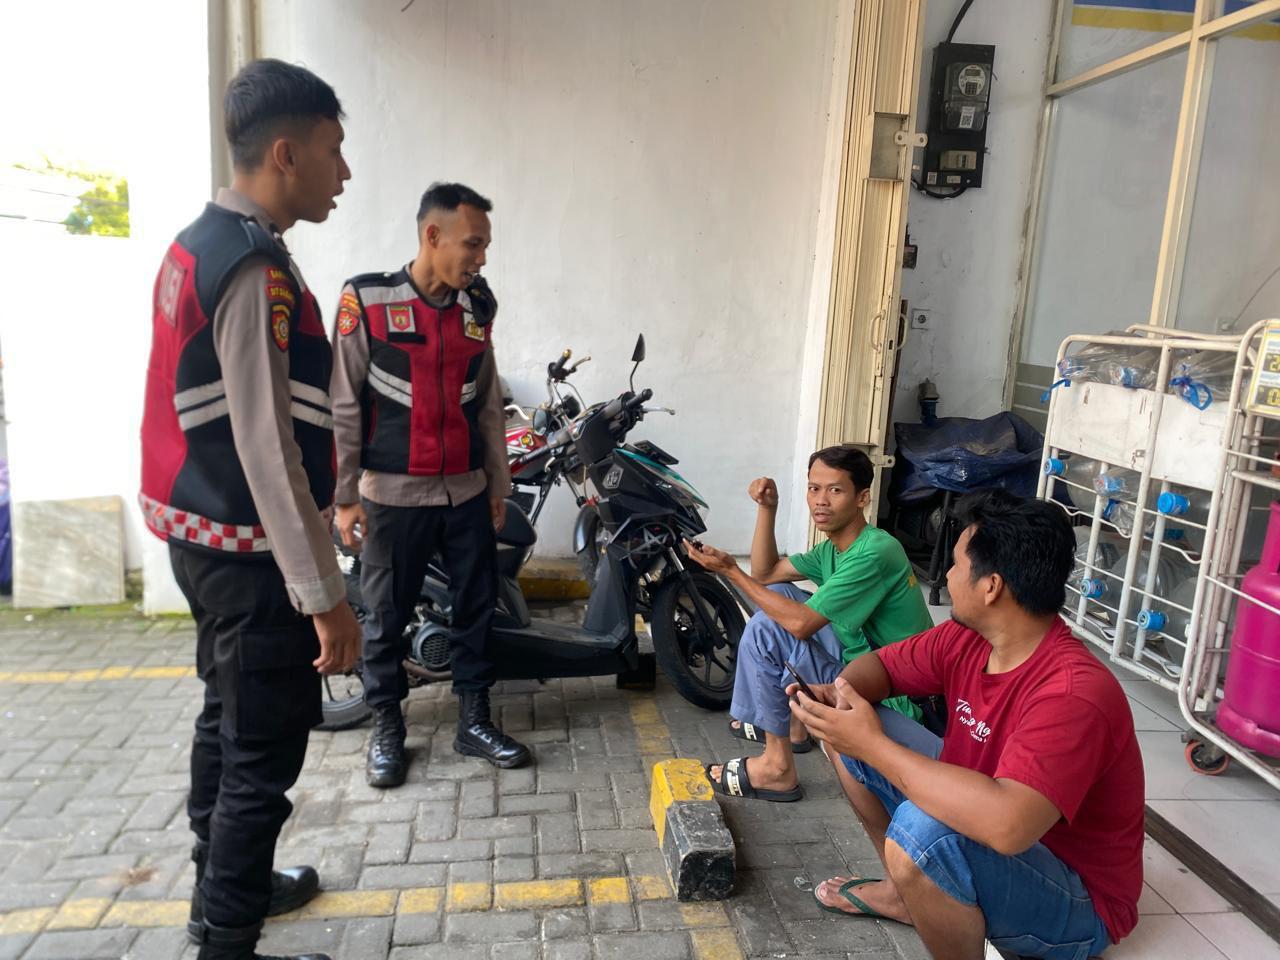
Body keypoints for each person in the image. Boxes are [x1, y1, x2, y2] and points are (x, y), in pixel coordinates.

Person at [139, 59, 359, 960]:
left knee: (224, 721)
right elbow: (270, 451)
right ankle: (226, 939)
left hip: (200, 537)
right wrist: (326, 598)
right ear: (285, 154)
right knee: (261, 758)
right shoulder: (252, 271)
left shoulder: (198, 244)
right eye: (333, 151)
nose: (344, 172)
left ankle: (224, 889)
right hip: (249, 556)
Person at [790, 491, 1144, 960]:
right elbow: (881, 669)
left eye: (956, 564)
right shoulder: (967, 637)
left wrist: (872, 745)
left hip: (1077, 899)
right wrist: (840, 697)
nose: (948, 576)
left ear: (991, 586)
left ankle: (924, 883)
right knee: (848, 727)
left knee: (922, 834)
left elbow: (1007, 827)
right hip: (987, 808)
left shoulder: (1073, 693)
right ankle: (903, 892)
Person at [330, 182, 530, 785]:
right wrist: (343, 496)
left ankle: (474, 721)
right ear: (433, 235)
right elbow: (344, 403)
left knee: (476, 608)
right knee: (385, 618)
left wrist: (497, 486)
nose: (482, 258)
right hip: (393, 496)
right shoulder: (368, 300)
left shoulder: (475, 309)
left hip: (465, 492)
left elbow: (488, 403)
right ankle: (388, 729)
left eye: (486, 245)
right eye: (474, 244)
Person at [684, 446, 933, 801]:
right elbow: (767, 574)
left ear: (862, 498)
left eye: (835, 490)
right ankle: (794, 728)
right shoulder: (833, 549)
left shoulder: (874, 552)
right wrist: (768, 508)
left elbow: (801, 625)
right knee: (780, 594)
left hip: (895, 697)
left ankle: (777, 767)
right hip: (865, 663)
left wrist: (730, 571)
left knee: (768, 630)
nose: (821, 501)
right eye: (814, 488)